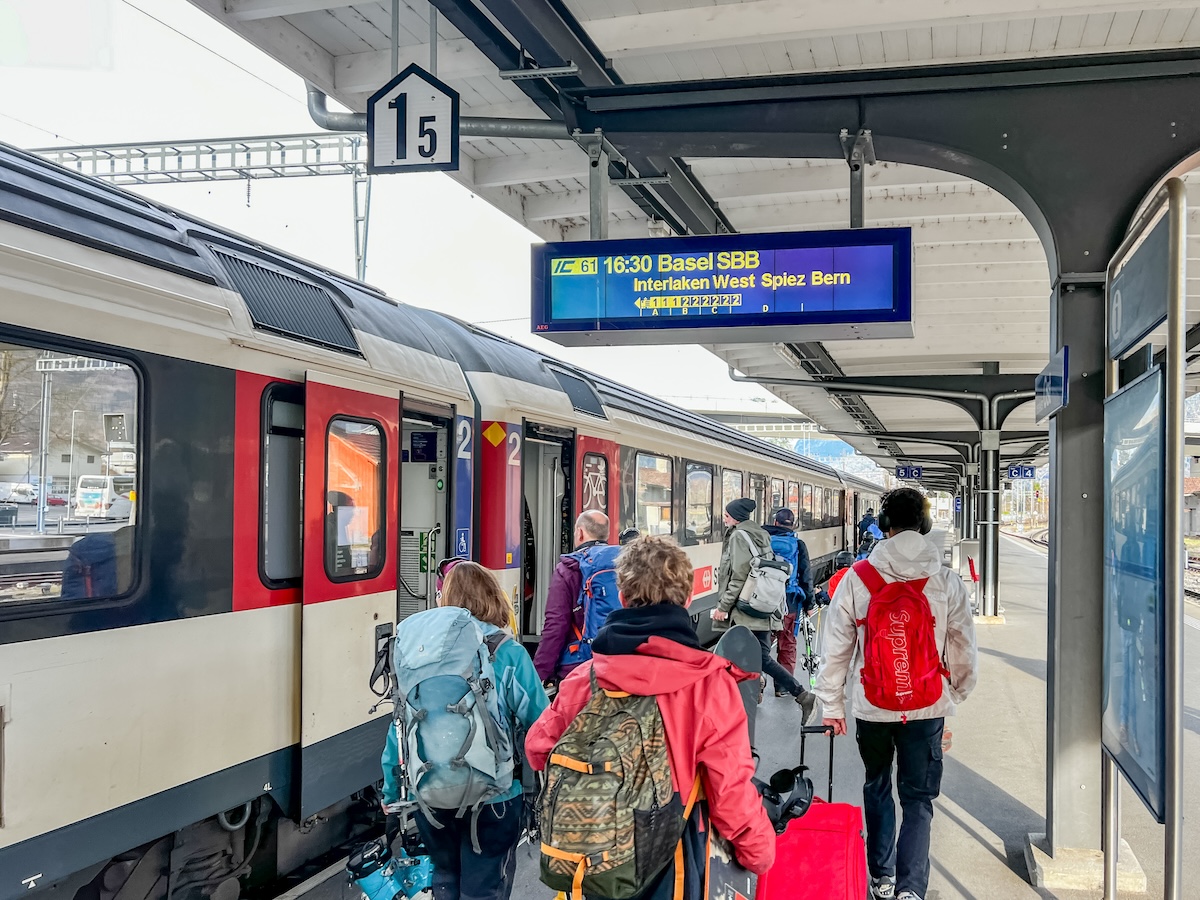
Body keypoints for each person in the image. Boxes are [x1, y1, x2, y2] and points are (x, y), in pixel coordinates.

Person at [526, 535, 775, 900]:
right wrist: (761, 853)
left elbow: (538, 749)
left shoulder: (586, 678)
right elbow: (731, 794)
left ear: (623, 597)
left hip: (590, 866)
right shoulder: (709, 686)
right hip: (668, 867)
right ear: (688, 599)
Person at [816, 488, 978, 900]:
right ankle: (911, 889)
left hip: (873, 705)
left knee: (876, 784)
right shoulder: (946, 580)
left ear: (884, 526)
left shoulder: (858, 577)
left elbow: (835, 648)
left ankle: (881, 878)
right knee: (919, 799)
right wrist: (954, 694)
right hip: (927, 705)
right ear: (924, 526)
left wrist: (831, 705)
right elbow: (962, 647)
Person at [381, 561, 547, 900]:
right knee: (485, 888)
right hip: (496, 797)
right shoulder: (506, 651)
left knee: (445, 880)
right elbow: (541, 723)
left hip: (431, 795)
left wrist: (389, 791)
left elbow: (400, 726)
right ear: (492, 596)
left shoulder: (419, 656)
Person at [713, 498, 818, 721]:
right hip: (763, 603)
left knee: (738, 654)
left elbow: (739, 576)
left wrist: (723, 607)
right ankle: (790, 693)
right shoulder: (758, 534)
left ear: (735, 516)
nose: (724, 516)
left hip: (745, 607)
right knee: (755, 655)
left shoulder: (739, 536)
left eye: (726, 513)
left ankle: (730, 703)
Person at [533, 509, 619, 685]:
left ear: (579, 532)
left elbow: (556, 624)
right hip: (619, 661)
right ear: (607, 534)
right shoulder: (623, 564)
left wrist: (540, 673)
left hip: (579, 667)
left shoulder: (568, 568)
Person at [764, 508, 812, 696]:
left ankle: (757, 682)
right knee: (788, 643)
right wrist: (809, 604)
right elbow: (806, 575)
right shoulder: (798, 544)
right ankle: (782, 687)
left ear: (775, 522)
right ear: (792, 525)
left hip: (765, 600)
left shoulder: (763, 541)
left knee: (762, 644)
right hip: (790, 601)